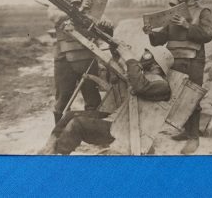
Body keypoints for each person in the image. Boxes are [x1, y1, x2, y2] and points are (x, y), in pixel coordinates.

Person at [39, 45, 174, 155]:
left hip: (124, 129)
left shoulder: (162, 85)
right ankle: (50, 146)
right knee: (70, 115)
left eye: (148, 56)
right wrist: (116, 54)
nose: (143, 57)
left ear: (157, 65)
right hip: (118, 120)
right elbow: (124, 78)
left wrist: (130, 60)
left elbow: (140, 87)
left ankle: (57, 156)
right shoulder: (145, 79)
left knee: (77, 124)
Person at [143, 0, 212, 154]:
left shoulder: (202, 12)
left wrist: (187, 25)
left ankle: (193, 137)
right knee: (174, 97)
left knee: (192, 98)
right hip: (173, 60)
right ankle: (185, 130)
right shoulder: (172, 13)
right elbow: (161, 39)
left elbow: (207, 35)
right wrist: (150, 32)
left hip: (193, 60)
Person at [48, 0, 113, 124]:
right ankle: (59, 135)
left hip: (87, 58)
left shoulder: (89, 4)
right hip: (64, 58)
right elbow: (54, 17)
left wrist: (106, 23)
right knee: (63, 97)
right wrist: (76, 10)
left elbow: (104, 24)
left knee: (93, 98)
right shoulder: (57, 3)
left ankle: (94, 132)